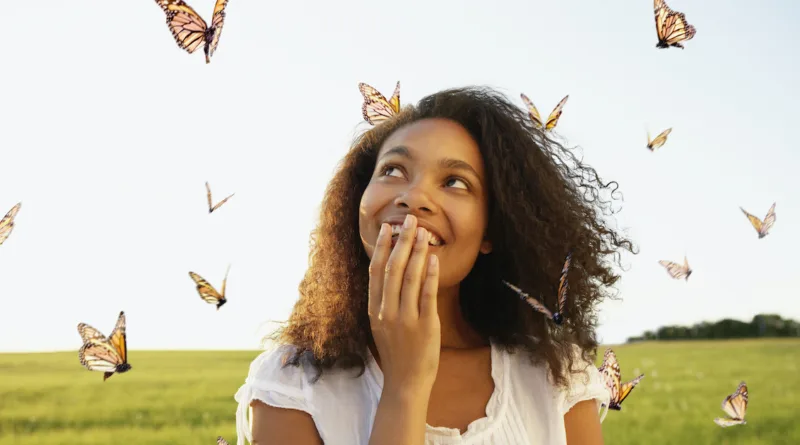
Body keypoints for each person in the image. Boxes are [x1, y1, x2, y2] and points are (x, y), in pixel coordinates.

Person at [233, 86, 636, 445]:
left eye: (455, 182)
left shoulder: (557, 376)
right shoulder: (292, 382)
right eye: (392, 170)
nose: (413, 196)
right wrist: (405, 387)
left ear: (491, 230)